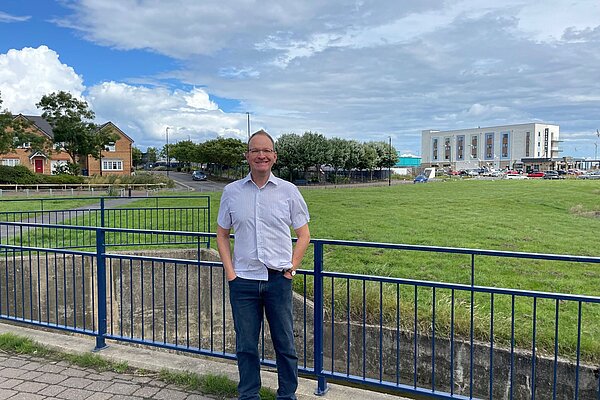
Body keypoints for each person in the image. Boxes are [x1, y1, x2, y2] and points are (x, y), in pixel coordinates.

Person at [216, 129, 311, 400]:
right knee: (246, 345)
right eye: (255, 150)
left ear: (274, 157)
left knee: (285, 345)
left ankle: (287, 396)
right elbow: (222, 234)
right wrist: (231, 273)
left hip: (278, 280)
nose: (261, 155)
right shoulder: (231, 192)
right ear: (247, 156)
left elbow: (303, 235)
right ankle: (248, 395)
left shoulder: (289, 192)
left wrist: (292, 267)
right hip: (243, 281)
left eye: (266, 150)